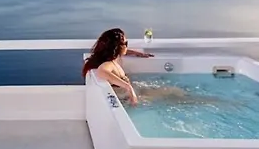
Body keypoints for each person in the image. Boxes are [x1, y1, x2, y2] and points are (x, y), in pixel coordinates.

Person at [82, 28, 226, 107]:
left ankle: (205, 101)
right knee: (176, 97)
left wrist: (136, 53)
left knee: (174, 92)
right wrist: (129, 88)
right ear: (116, 47)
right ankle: (210, 103)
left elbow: (121, 53)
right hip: (129, 99)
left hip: (134, 92)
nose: (127, 46)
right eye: (125, 43)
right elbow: (102, 71)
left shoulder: (114, 58)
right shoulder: (107, 64)